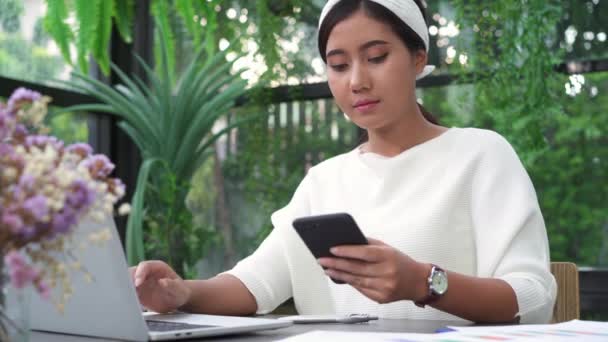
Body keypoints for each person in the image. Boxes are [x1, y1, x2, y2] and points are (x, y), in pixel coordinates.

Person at [130, 0, 557, 324]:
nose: (357, 81)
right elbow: (256, 283)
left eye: (376, 58)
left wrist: (422, 283)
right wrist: (181, 292)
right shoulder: (326, 181)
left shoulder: (480, 154)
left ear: (418, 58)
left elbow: (535, 296)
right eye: (338, 65)